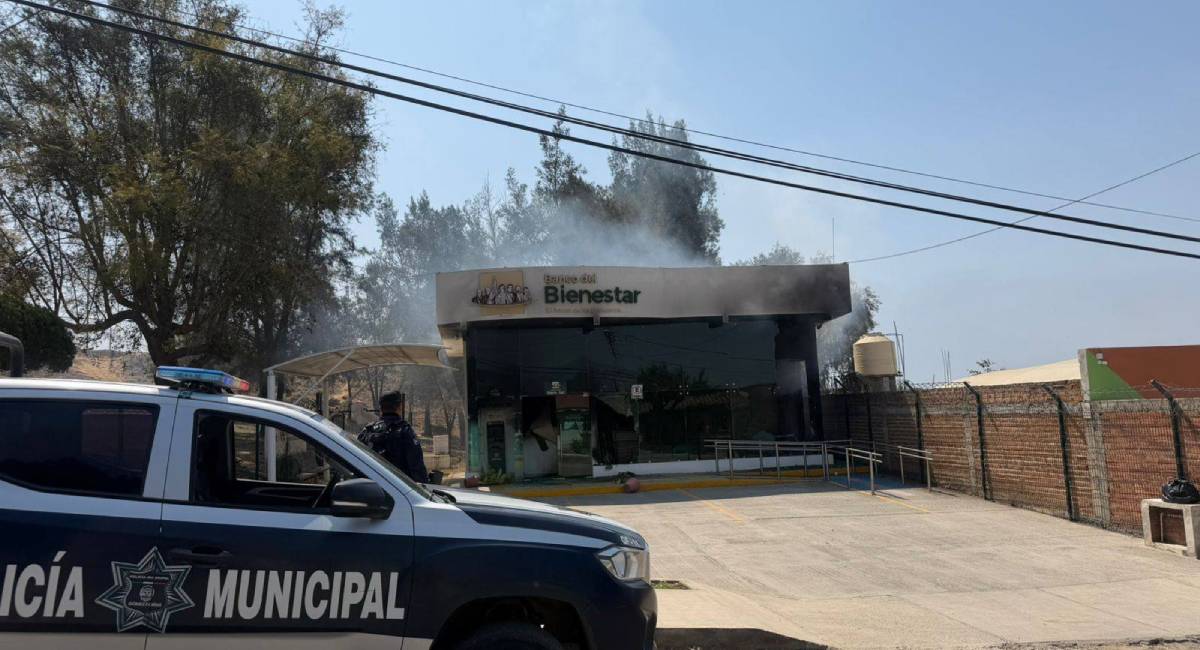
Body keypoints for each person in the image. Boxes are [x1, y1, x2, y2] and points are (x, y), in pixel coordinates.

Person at [358, 391, 429, 483]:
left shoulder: (368, 430)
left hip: (371, 487)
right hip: (398, 487)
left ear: (381, 408)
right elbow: (417, 467)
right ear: (399, 407)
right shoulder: (405, 431)